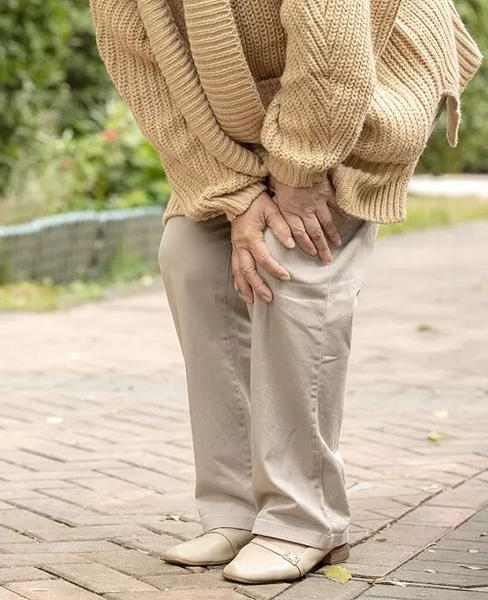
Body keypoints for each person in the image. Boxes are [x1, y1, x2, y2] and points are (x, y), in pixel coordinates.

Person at [89, 0, 482, 584]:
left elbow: (333, 55)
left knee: (291, 258)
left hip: (363, 77)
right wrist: (238, 193)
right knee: (190, 257)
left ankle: (305, 519)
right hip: (242, 115)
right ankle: (236, 509)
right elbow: (152, 84)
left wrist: (296, 175)